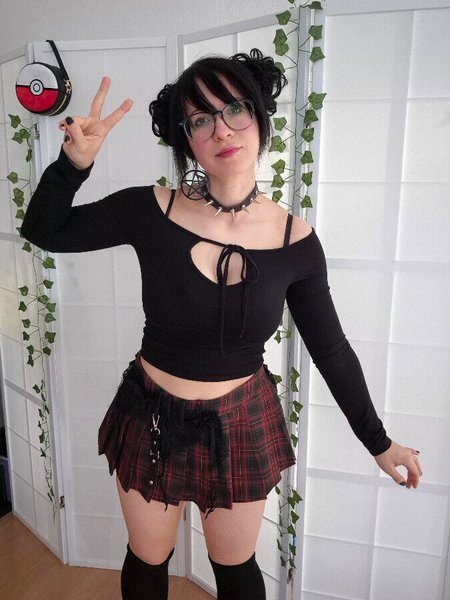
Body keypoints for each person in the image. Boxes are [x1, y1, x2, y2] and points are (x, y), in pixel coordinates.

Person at [21, 48, 422, 600]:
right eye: (201, 119)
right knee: (148, 558)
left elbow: (331, 349)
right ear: (186, 139)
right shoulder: (149, 209)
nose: (222, 130)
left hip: (240, 424)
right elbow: (45, 230)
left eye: (235, 108)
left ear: (259, 117)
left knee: (234, 569)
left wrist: (378, 442)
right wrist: (73, 164)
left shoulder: (296, 242)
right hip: (150, 415)